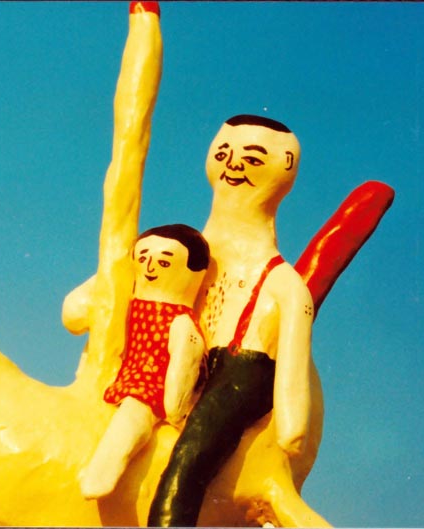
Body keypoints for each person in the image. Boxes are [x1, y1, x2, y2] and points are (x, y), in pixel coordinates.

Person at [148, 114, 314, 527]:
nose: (234, 164)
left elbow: (293, 355)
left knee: (188, 461)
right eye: (224, 153)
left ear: (285, 166)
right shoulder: (184, 251)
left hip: (243, 369)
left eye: (253, 158)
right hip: (184, 358)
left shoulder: (283, 282)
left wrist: (292, 421)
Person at [79, 224, 209, 500]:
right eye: (143, 257)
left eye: (164, 262)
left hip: (150, 385)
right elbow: (77, 311)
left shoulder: (181, 323)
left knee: (133, 416)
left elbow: (184, 364)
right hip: (115, 371)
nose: (150, 267)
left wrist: (175, 409)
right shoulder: (126, 300)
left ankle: (103, 471)